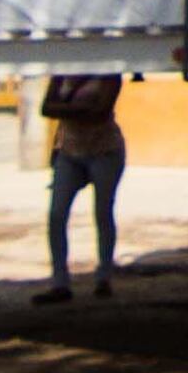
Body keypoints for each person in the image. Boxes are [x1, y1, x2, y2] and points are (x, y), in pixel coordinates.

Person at [35, 72, 126, 303]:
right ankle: (59, 281)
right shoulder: (62, 74)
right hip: (69, 150)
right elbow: (46, 108)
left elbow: (100, 112)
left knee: (103, 211)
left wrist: (63, 109)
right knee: (56, 214)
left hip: (105, 149)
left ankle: (104, 275)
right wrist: (81, 111)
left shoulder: (109, 75)